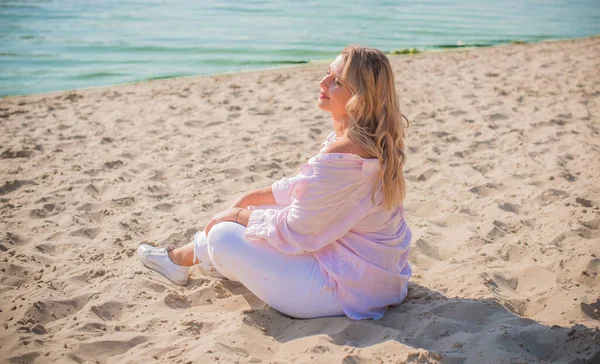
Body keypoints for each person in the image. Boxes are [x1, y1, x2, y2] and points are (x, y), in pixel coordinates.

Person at [137, 45, 412, 320]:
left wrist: (236, 216)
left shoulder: (345, 152)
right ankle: (185, 258)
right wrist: (249, 200)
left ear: (360, 99)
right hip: (378, 279)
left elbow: (296, 230)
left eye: (336, 81)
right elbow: (308, 189)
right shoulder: (372, 140)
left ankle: (186, 258)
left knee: (223, 236)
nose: (322, 82)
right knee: (252, 221)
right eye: (327, 73)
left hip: (347, 290)